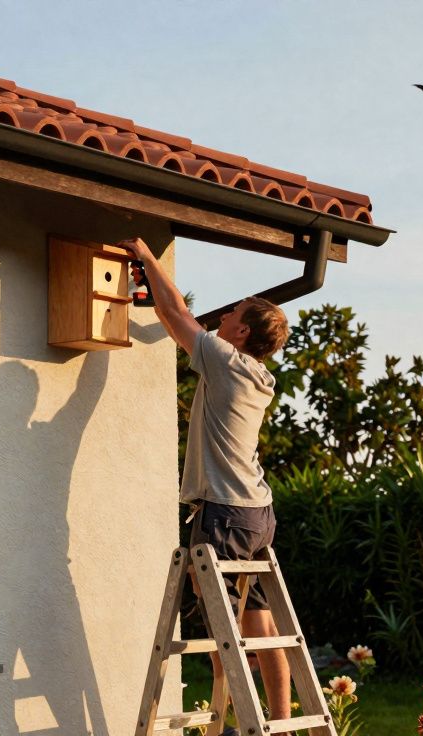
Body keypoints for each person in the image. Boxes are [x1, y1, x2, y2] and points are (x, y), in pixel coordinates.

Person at [116, 237, 293, 727]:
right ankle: (276, 720)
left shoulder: (225, 360)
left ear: (240, 333)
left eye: (233, 312)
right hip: (257, 512)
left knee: (220, 620)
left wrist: (148, 259)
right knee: (255, 621)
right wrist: (151, 285)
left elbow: (177, 317)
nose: (225, 314)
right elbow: (178, 313)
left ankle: (236, 717)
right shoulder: (254, 373)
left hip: (225, 510)